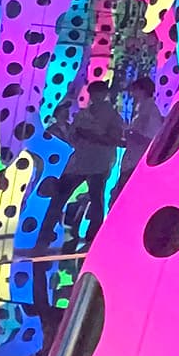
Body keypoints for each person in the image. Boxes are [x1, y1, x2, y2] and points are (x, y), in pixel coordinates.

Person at [44, 81, 125, 243]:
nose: (96, 97)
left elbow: (114, 139)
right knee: (62, 195)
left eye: (99, 93)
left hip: (99, 162)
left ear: (105, 94)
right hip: (80, 161)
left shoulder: (112, 116)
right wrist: (83, 136)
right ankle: (46, 230)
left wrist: (91, 136)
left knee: (95, 198)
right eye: (94, 93)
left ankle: (93, 235)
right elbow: (73, 136)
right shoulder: (83, 114)